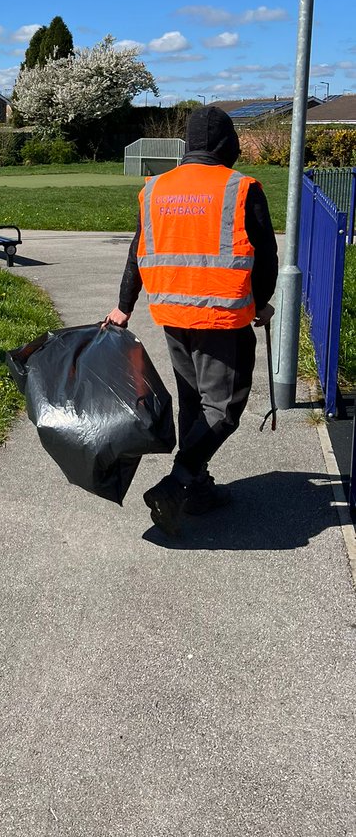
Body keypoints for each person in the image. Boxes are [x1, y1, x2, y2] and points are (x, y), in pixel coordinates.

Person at [105, 106, 278, 537]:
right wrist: (261, 303)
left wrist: (124, 306)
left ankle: (197, 491)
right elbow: (267, 257)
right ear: (227, 143)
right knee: (223, 409)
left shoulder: (156, 189)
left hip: (172, 314)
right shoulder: (240, 188)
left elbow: (137, 252)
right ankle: (179, 481)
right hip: (223, 318)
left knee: (194, 404)